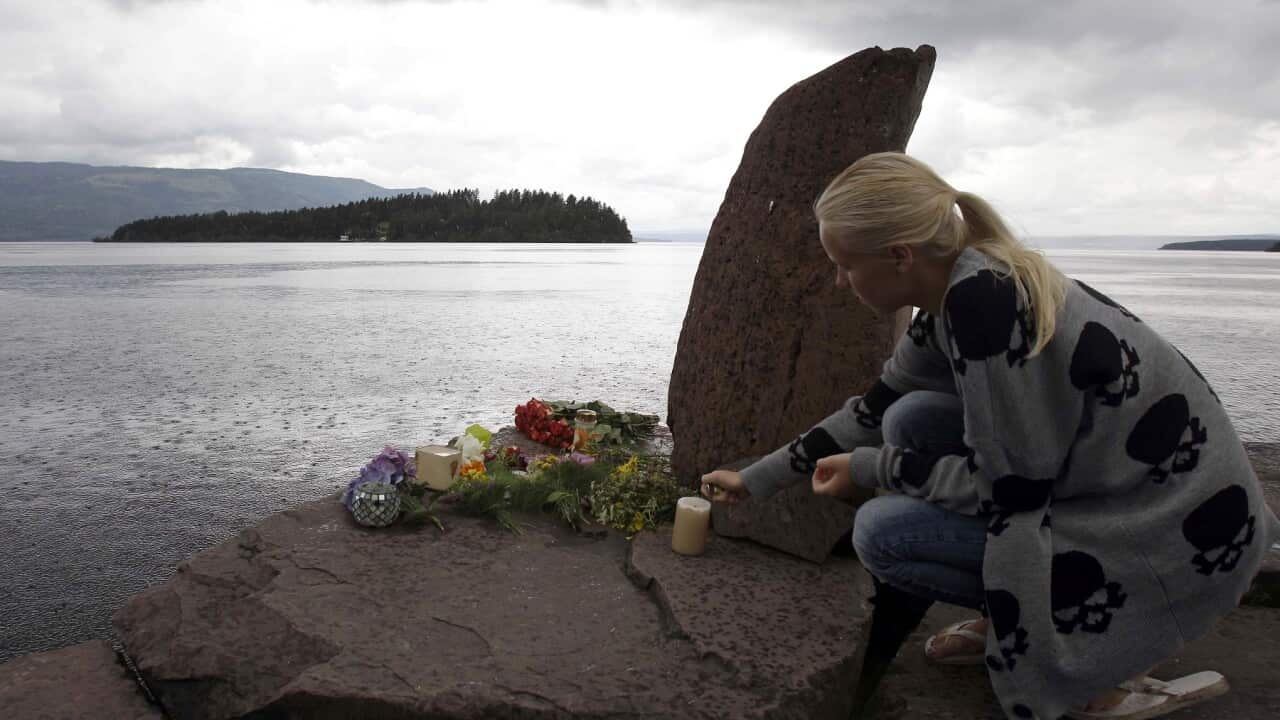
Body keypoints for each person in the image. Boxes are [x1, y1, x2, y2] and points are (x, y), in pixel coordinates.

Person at [699, 152, 1279, 720]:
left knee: (882, 533)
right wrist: (755, 479)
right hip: (1114, 486)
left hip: (1173, 529)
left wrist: (874, 469)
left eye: (846, 264)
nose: (839, 279)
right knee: (912, 418)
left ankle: (1094, 675)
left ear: (899, 256)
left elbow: (1008, 491)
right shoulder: (957, 293)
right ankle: (1014, 611)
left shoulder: (986, 311)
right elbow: (873, 411)